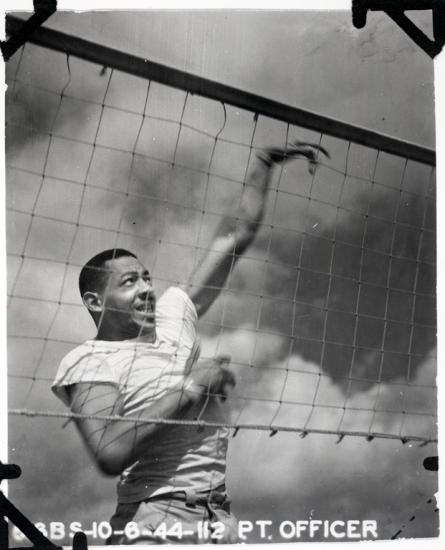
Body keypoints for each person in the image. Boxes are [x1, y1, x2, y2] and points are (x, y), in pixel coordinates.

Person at [51, 141, 328, 545]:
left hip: (220, 518)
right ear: (95, 302)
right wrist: (191, 387)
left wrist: (264, 166)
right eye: (130, 282)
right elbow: (109, 452)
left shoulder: (173, 314)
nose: (147, 288)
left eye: (147, 277)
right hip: (155, 519)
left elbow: (235, 236)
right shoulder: (89, 360)